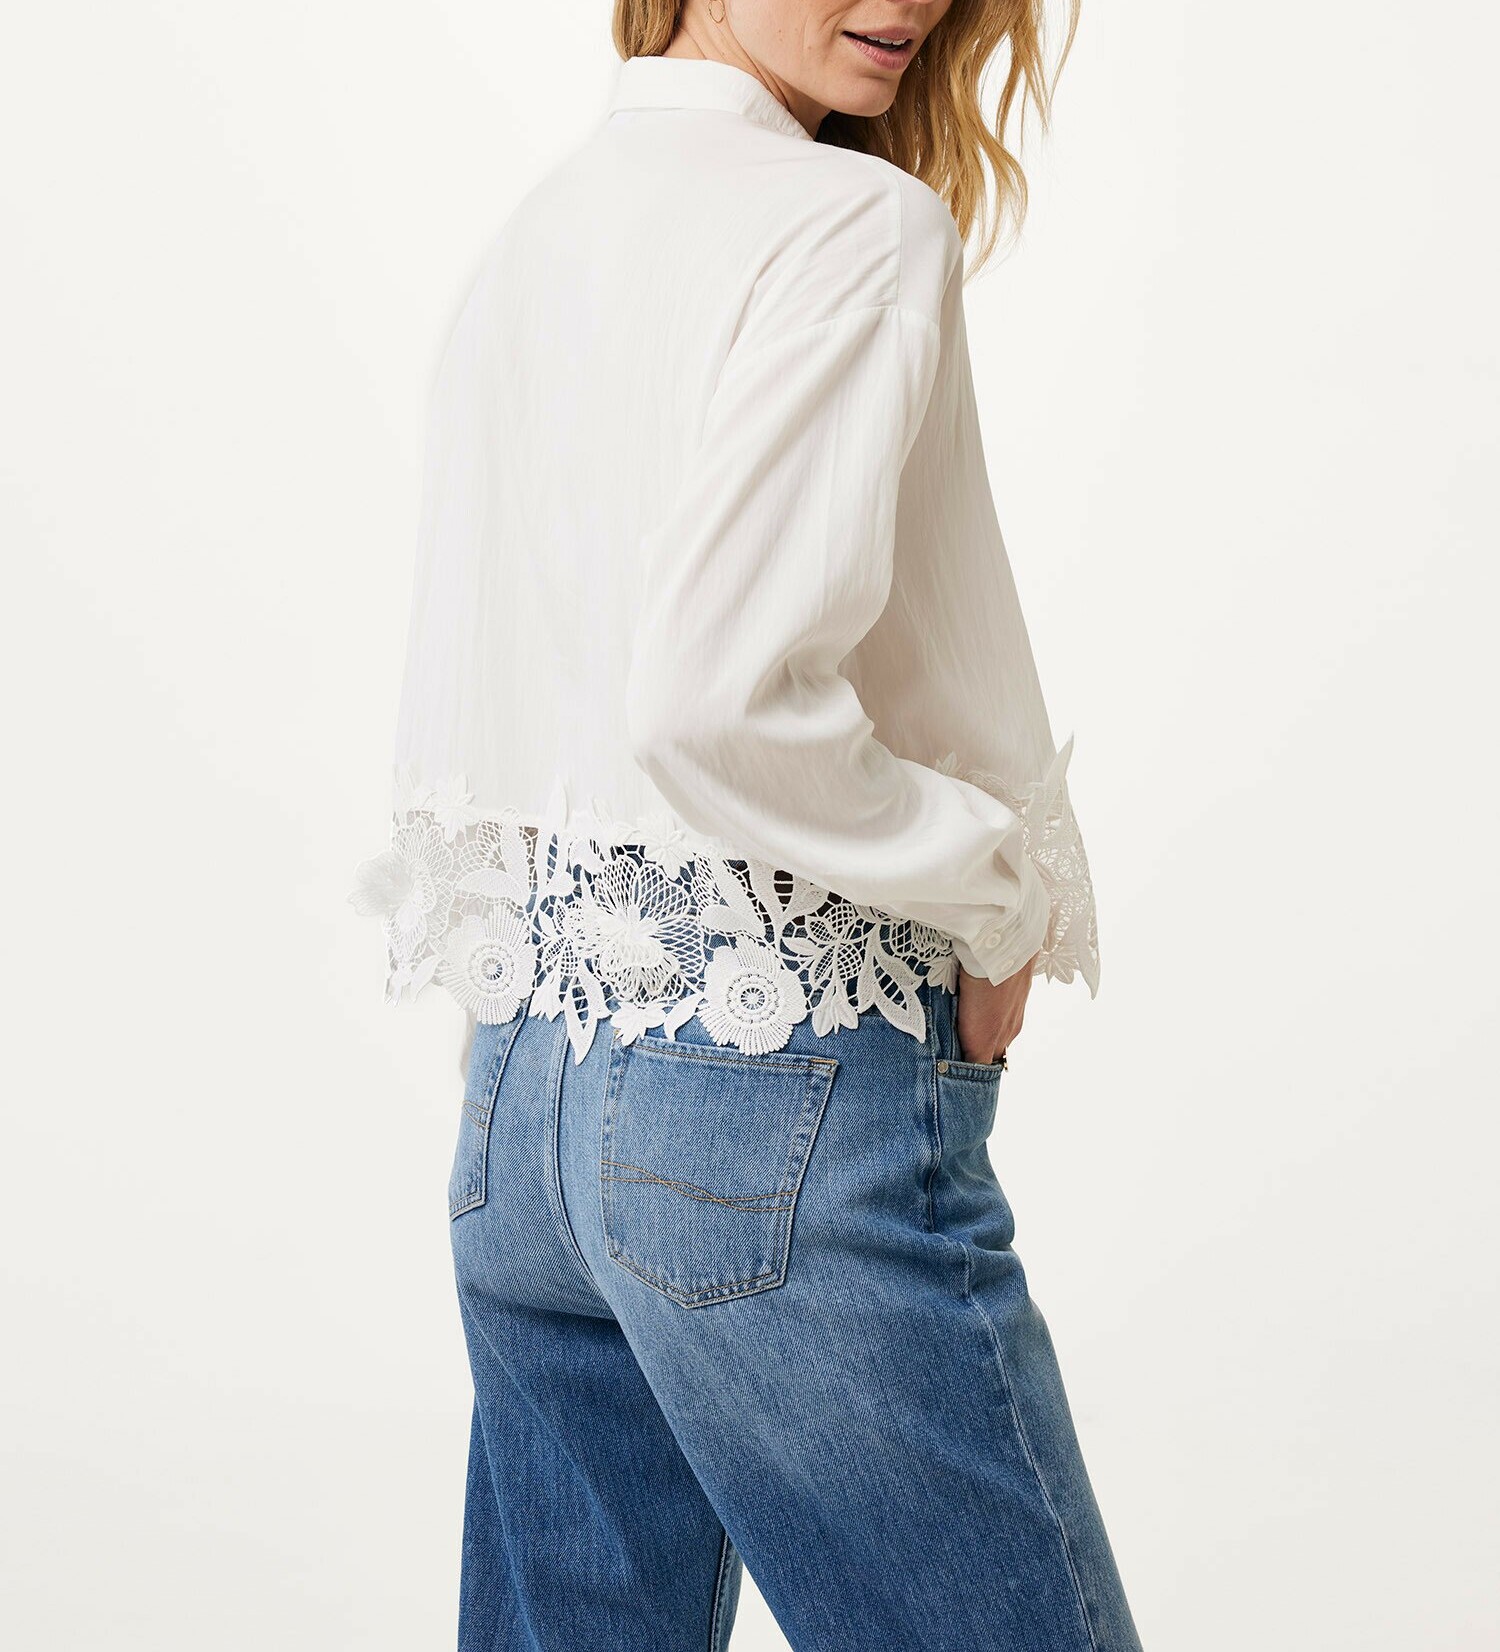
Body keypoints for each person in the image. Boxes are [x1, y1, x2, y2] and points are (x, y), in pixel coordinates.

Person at [350, 2, 1141, 1647]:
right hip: (765, 1110)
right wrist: (997, 892)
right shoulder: (852, 225)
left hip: (520, 1112)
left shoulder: (536, 237)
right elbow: (713, 705)